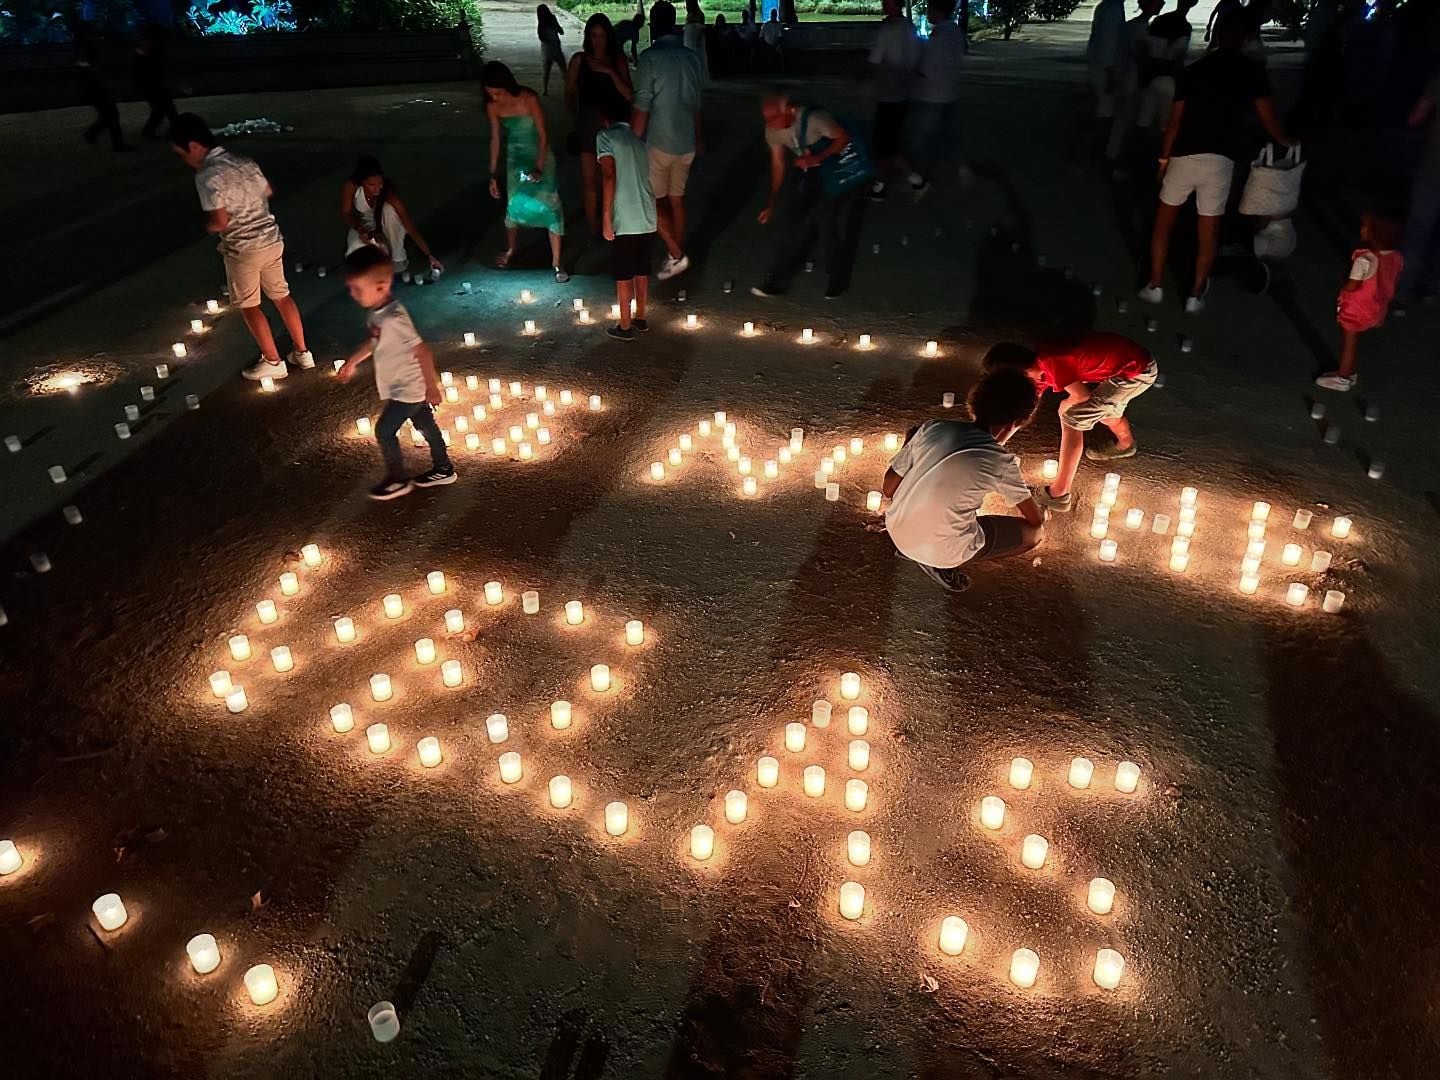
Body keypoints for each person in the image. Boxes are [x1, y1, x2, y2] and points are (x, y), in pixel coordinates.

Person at [1139, 12, 1289, 314]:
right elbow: (1267, 116)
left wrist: (1163, 159)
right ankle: (1195, 294)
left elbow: (1175, 122)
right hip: (1221, 160)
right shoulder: (1252, 71)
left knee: (1163, 224)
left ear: (1217, 36)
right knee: (1208, 231)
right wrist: (1286, 141)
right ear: (1245, 38)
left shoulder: (1194, 71)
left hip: (1184, 155)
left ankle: (1154, 285)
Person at [169, 113, 312, 381]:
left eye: (182, 153)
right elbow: (267, 190)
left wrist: (207, 226)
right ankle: (303, 353)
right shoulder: (244, 162)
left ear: (194, 146)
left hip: (244, 248)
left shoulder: (207, 176)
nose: (184, 160)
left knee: (249, 305)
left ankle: (273, 361)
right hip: (271, 239)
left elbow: (221, 221)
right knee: (282, 296)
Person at [882, 368, 1046, 593]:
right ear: (1015, 423)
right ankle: (944, 565)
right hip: (944, 550)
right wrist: (1040, 510)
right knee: (1035, 535)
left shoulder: (931, 428)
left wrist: (909, 446)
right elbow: (1035, 521)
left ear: (974, 405)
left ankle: (925, 552)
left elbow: (888, 489)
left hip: (898, 533)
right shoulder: (1001, 461)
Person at [982, 334, 1158, 512]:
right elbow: (1027, 409)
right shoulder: (1037, 368)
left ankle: (1058, 494)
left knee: (1071, 418)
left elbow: (1082, 395)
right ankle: (1126, 444)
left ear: (1022, 373)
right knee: (1105, 413)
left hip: (1136, 371)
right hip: (1128, 366)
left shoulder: (1052, 360)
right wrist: (997, 442)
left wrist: (1065, 404)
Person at [337, 247, 454, 501]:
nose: (352, 294)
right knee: (425, 424)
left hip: (408, 389)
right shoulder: (377, 314)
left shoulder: (394, 318)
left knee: (384, 430)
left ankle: (398, 478)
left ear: (381, 286)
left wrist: (431, 387)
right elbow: (374, 342)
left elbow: (422, 350)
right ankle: (444, 468)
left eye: (357, 289)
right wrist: (352, 362)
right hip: (406, 386)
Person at [752, 93, 869, 300]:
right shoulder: (772, 130)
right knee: (789, 223)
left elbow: (843, 137)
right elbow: (778, 164)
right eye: (768, 119)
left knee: (826, 224)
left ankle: (836, 278)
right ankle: (777, 281)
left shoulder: (815, 118)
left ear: (789, 109)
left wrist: (819, 157)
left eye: (775, 118)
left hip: (830, 170)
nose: (772, 125)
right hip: (806, 171)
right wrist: (771, 202)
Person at [632, 1, 704, 282]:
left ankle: (675, 253)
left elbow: (643, 103)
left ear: (653, 24)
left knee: (653, 200)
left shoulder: (651, 58)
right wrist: (699, 138)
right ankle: (674, 254)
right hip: (686, 141)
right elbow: (697, 103)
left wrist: (632, 139)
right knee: (677, 199)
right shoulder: (691, 57)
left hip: (660, 140)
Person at [483, 62, 568, 283]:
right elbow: (495, 140)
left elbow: (543, 134)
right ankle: (512, 249)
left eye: (498, 92)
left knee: (549, 204)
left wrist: (539, 166)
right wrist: (492, 174)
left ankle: (557, 262)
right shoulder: (492, 106)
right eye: (490, 93)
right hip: (516, 157)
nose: (495, 98)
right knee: (514, 203)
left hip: (539, 154)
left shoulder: (528, 99)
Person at [1315, 212, 1403, 392]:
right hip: (1376, 307)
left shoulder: (1364, 260)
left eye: (1366, 227)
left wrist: (1344, 283)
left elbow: (1351, 287)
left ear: (1376, 234)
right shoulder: (1396, 257)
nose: (1362, 230)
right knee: (1353, 342)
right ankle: (1349, 372)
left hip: (1356, 309)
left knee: (1350, 342)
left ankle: (1343, 378)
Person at [597, 94, 659, 341]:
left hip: (625, 215)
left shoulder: (606, 137)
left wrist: (606, 216)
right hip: (646, 214)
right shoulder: (638, 140)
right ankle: (640, 317)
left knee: (623, 272)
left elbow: (609, 176)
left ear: (604, 118)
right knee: (641, 268)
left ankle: (624, 325)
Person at [567, 14, 634, 235]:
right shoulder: (579, 60)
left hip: (613, 124)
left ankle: (613, 223)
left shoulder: (617, 60)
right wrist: (577, 120)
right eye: (593, 35)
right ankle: (594, 228)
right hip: (588, 122)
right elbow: (569, 93)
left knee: (613, 176)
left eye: (602, 36)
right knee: (590, 182)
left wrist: (610, 72)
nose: (598, 41)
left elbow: (628, 95)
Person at [341, 156, 443, 278]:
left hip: (386, 225)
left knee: (390, 211)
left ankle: (396, 254)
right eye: (371, 185)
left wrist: (429, 255)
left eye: (380, 184)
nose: (377, 189)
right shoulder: (352, 186)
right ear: (362, 181)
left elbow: (409, 227)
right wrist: (361, 229)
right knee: (359, 258)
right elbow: (346, 212)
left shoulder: (390, 195)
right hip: (364, 225)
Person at [907, 0, 969, 198]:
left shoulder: (938, 36)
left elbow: (926, 69)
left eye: (929, 10)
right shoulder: (957, 33)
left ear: (937, 11)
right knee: (946, 134)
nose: (927, 13)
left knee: (924, 140)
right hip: (950, 94)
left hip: (933, 96)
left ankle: (920, 179)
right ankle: (961, 166)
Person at [866, 0, 919, 201]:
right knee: (891, 139)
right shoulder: (910, 28)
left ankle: (910, 180)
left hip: (888, 93)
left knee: (885, 144)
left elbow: (874, 61)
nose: (882, 5)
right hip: (904, 92)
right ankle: (889, 183)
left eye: (886, 2)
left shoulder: (887, 30)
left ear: (895, 5)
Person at [1395, 74, 1440, 311]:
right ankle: (1431, 286)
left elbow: (1415, 118)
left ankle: (1402, 293)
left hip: (1434, 171)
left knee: (1417, 233)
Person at [1104, 0, 1164, 168]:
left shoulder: (1131, 26)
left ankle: (1111, 160)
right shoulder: (1142, 29)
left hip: (1125, 78)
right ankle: (1115, 163)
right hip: (1133, 81)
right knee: (1125, 126)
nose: (1162, 3)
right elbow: (1141, 58)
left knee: (1121, 124)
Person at [1137, 0, 1196, 134]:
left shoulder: (1159, 20)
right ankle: (1158, 152)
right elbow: (1178, 57)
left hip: (1151, 74)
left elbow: (1144, 49)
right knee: (1166, 124)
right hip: (1168, 78)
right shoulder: (1185, 26)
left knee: (1143, 120)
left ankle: (1138, 150)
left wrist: (1143, 74)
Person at [1083, 0, 1128, 169]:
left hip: (1100, 69)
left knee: (1100, 115)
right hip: (1105, 71)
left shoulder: (1107, 7)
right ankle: (1095, 158)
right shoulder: (1113, 9)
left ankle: (1093, 157)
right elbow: (1108, 43)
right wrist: (1110, 74)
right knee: (1103, 117)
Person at [75, 22, 129, 151]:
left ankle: (92, 135)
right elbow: (90, 70)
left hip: (92, 88)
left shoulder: (84, 48)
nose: (96, 36)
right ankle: (118, 144)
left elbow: (85, 68)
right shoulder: (87, 49)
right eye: (93, 34)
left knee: (107, 115)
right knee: (111, 114)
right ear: (89, 35)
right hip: (95, 88)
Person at [133, 24, 178, 140]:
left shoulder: (146, 48)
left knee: (161, 110)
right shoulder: (154, 48)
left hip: (152, 85)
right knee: (167, 111)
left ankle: (151, 131)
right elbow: (156, 68)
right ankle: (171, 133)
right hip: (154, 85)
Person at [537, 4, 567, 95]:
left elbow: (541, 37)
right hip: (555, 47)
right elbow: (560, 31)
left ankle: (545, 89)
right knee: (564, 69)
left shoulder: (541, 23)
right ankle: (568, 86)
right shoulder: (552, 19)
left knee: (547, 71)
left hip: (547, 49)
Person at [684, 0, 711, 84]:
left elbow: (701, 29)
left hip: (695, 42)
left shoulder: (699, 15)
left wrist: (697, 41)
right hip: (689, 41)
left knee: (697, 61)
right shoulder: (690, 15)